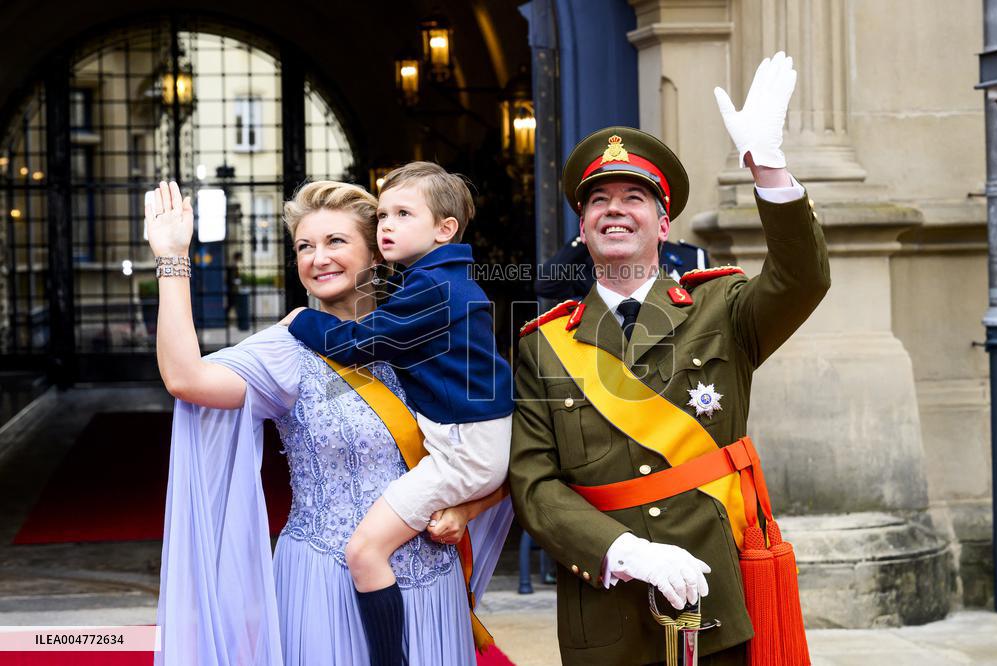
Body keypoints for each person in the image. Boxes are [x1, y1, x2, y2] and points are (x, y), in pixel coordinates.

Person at [509, 52, 830, 665]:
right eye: (598, 199)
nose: (614, 209)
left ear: (663, 224)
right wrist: (622, 550)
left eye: (634, 197)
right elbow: (534, 484)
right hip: (605, 604)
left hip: (715, 594)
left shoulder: (722, 307)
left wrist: (768, 167)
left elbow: (802, 279)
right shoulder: (542, 345)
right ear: (583, 225)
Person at [147, 179, 512, 666]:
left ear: (378, 252)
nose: (318, 257)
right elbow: (185, 377)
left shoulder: (429, 331)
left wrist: (466, 512)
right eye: (304, 246)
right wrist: (172, 260)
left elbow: (500, 449)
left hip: (431, 586)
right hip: (324, 583)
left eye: (336, 241)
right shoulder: (285, 348)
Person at [280, 161, 515, 665]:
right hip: (468, 443)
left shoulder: (432, 289)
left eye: (403, 214)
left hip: (464, 454)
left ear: (444, 229)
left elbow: (359, 344)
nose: (386, 225)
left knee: (364, 551)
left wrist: (301, 322)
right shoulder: (436, 281)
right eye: (382, 214)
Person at [534, 235, 708, 301]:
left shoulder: (690, 257)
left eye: (633, 199)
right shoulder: (592, 261)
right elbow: (546, 284)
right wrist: (587, 236)